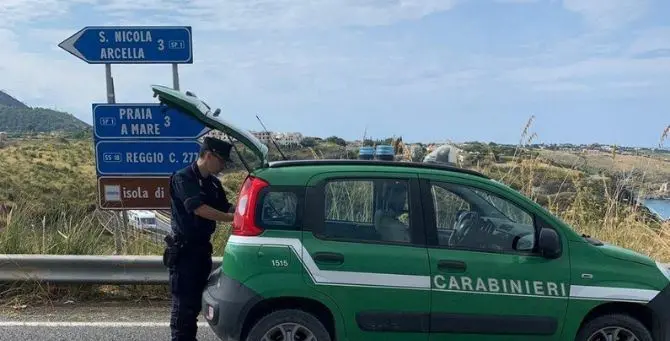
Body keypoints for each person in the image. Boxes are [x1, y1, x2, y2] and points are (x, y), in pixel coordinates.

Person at [163, 136, 236, 341]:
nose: (223, 166)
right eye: (221, 161)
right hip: (184, 252)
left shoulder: (212, 183)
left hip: (202, 250)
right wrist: (232, 218)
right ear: (209, 155)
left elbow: (224, 206)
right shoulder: (183, 178)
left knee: (195, 305)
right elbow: (198, 209)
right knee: (183, 309)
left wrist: (245, 210)